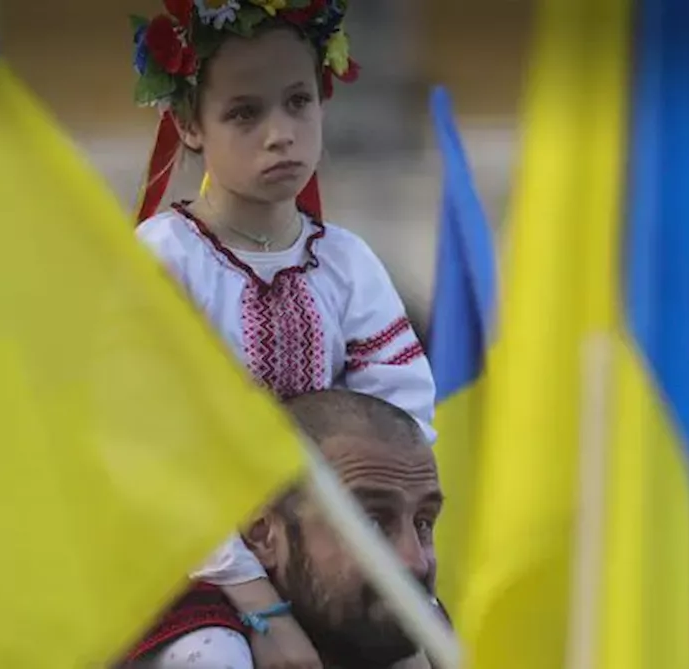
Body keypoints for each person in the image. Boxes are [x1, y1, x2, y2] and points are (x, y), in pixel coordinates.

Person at [126, 1, 437, 667]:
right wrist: (260, 603)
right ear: (188, 123)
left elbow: (401, 425)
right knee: (216, 658)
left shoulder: (347, 263)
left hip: (337, 544)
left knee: (426, 649)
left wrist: (360, 537)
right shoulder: (162, 261)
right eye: (245, 112)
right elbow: (151, 454)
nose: (280, 133)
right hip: (191, 559)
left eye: (298, 102)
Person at [122, 390, 444, 668]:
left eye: (424, 522)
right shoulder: (206, 652)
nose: (415, 562)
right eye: (371, 524)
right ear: (262, 534)